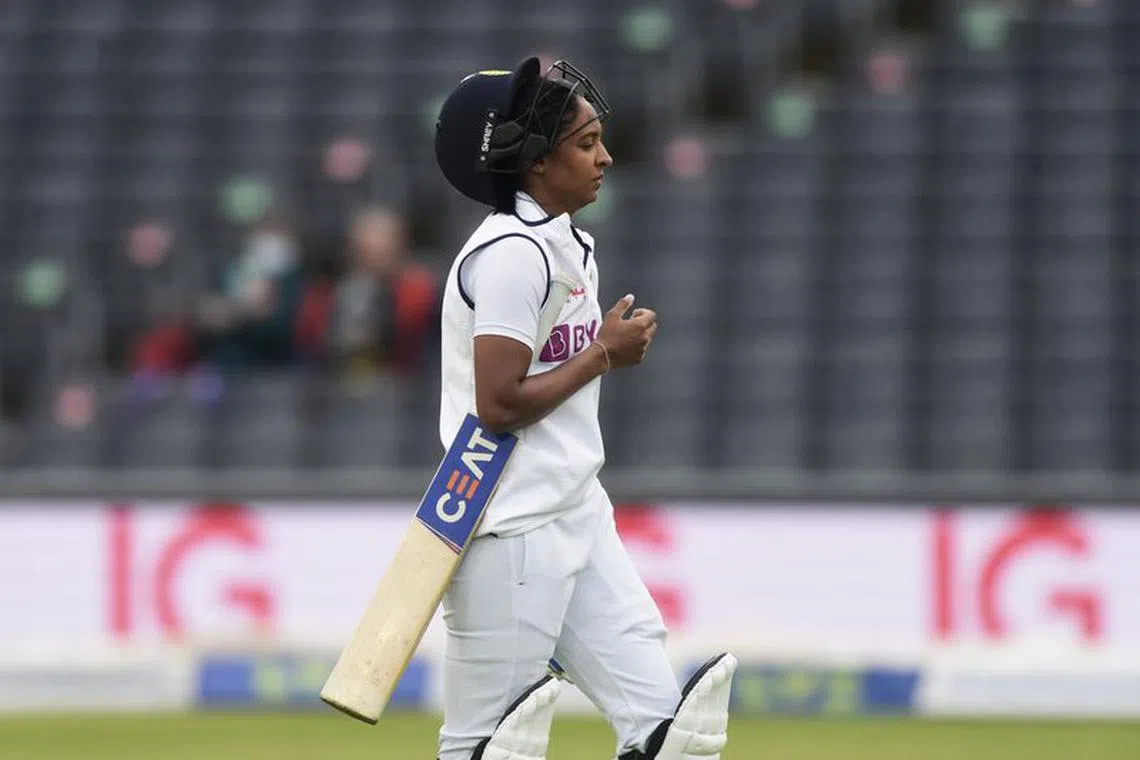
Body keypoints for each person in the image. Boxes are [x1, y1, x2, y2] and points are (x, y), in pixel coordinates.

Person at [432, 57, 735, 760]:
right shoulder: (511, 255)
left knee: (673, 737)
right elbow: (498, 403)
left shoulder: (565, 241)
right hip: (510, 526)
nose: (605, 156)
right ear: (536, 162)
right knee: (488, 748)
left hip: (577, 510)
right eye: (585, 142)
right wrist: (602, 354)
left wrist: (600, 352)